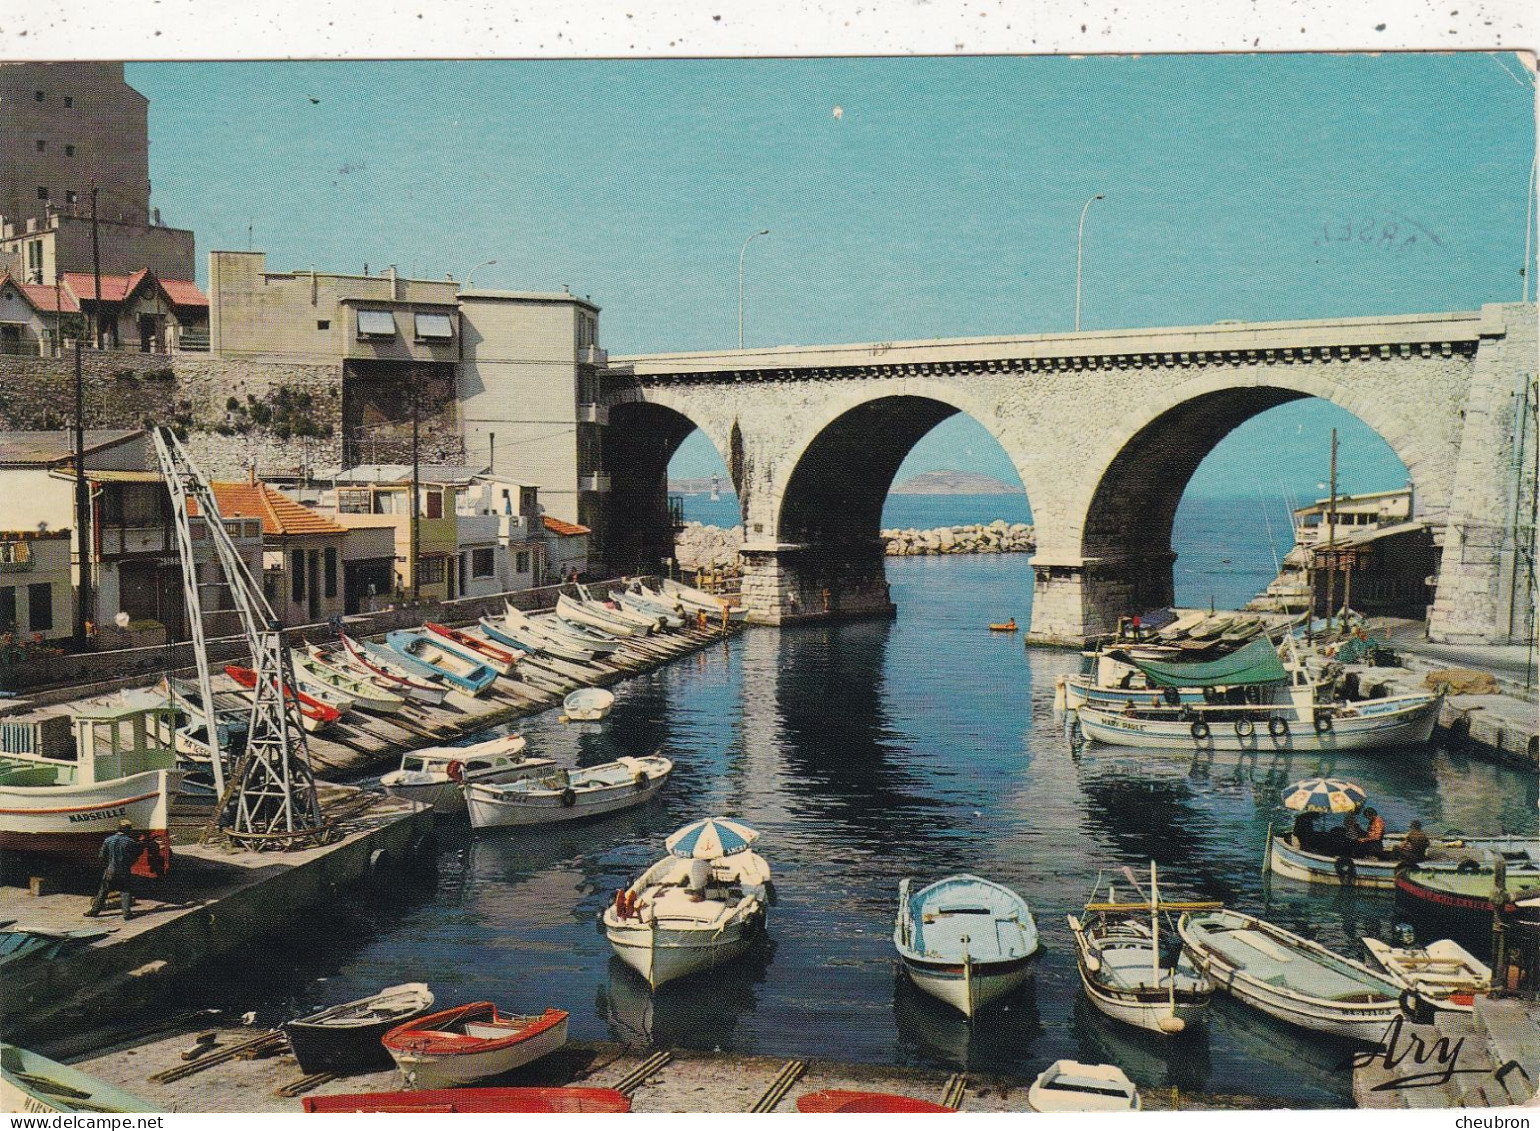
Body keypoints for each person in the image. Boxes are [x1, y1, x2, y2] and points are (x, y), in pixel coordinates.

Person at [86, 819, 143, 921]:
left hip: (110, 870)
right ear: (128, 830)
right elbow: (137, 853)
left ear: (118, 828)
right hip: (124, 871)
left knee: (103, 891)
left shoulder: (108, 840)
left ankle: (94, 911)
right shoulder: (130, 842)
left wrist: (108, 864)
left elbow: (101, 856)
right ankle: (127, 914)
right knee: (125, 891)